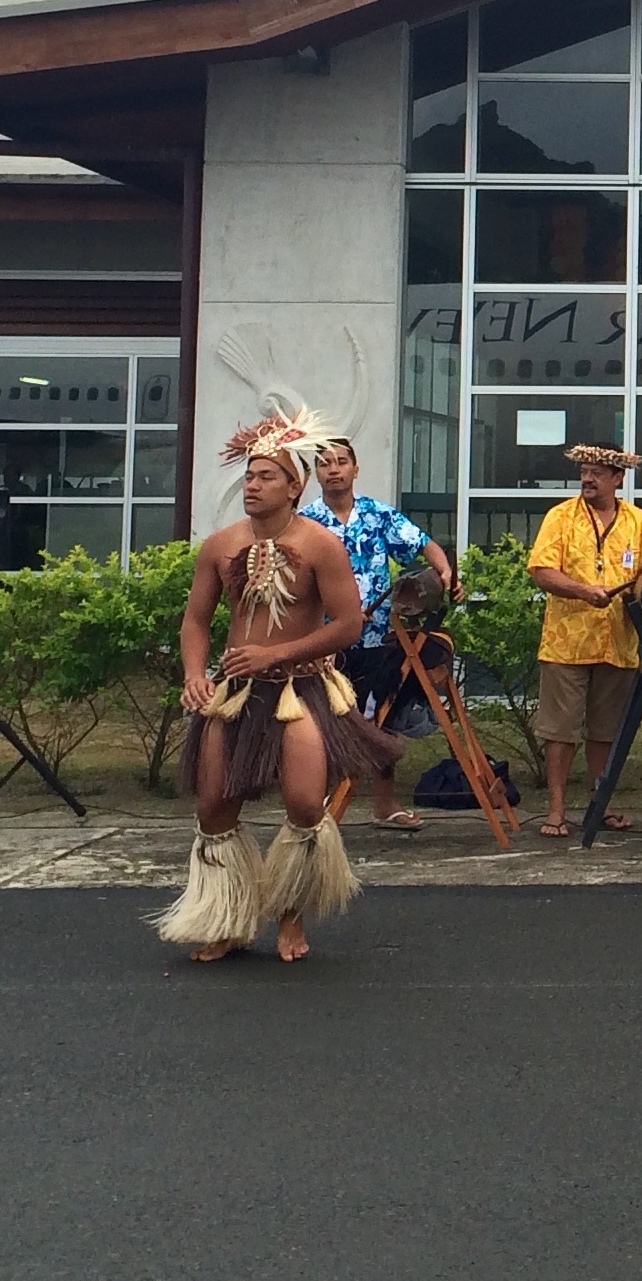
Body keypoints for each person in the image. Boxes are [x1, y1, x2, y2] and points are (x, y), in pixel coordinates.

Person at [158, 406, 395, 964]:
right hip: (236, 691)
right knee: (214, 808)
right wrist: (194, 674)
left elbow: (349, 624)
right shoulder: (220, 545)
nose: (252, 485)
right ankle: (226, 919)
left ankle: (291, 915)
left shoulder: (320, 545)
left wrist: (277, 652)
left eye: (266, 476)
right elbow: (196, 621)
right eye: (249, 475)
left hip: (301, 689)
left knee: (306, 805)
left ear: (295, 487)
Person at [524, 443, 642, 841]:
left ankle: (601, 803)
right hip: (566, 643)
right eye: (584, 471)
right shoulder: (560, 517)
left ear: (617, 478)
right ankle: (556, 808)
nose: (588, 479)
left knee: (606, 730)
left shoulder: (639, 522)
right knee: (560, 730)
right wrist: (583, 590)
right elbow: (541, 570)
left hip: (617, 642)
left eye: (597, 472)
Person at [301, 433, 452, 832]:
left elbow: (423, 544)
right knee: (323, 723)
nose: (333, 469)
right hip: (325, 644)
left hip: (379, 639)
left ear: (355, 469)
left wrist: (444, 571)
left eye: (340, 462)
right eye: (324, 463)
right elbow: (296, 588)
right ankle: (314, 807)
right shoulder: (304, 524)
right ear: (316, 473)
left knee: (382, 720)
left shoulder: (378, 515)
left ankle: (385, 805)